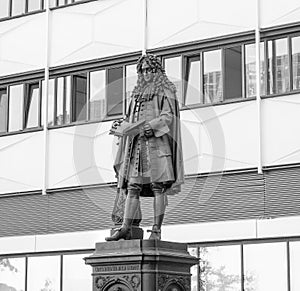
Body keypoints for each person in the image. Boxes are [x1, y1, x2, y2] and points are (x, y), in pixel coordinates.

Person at [105, 54, 184, 241]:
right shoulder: (136, 94)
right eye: (143, 70)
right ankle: (125, 227)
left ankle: (156, 230)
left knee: (158, 187)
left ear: (157, 71)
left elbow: (168, 117)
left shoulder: (166, 90)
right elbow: (129, 118)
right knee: (132, 186)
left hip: (157, 146)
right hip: (136, 147)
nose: (146, 73)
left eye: (150, 69)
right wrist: (120, 125)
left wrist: (151, 126)